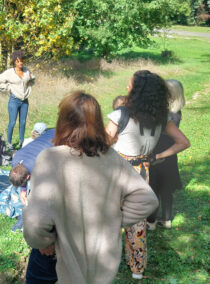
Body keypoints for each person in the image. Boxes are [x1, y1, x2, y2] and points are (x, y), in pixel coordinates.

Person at [23, 91, 159, 284]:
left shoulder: (50, 158)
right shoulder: (112, 158)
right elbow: (147, 199)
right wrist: (112, 220)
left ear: (63, 121)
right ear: (97, 123)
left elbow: (35, 223)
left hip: (56, 256)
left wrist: (42, 242)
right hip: (99, 257)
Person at [105, 71, 190, 279]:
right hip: (142, 173)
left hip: (117, 171)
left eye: (130, 85)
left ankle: (107, 261)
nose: (127, 88)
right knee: (137, 221)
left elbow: (103, 144)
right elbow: (184, 143)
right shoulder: (161, 117)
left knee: (110, 218)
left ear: (138, 91)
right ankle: (137, 269)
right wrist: (159, 154)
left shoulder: (120, 115)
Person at [147, 79, 186, 229]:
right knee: (167, 190)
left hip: (159, 152)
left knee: (154, 188)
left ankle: (151, 221)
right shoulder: (177, 112)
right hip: (170, 154)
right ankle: (167, 219)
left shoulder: (166, 114)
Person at [0, 50, 35, 150]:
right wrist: (8, 88)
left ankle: (21, 142)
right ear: (14, 62)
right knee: (12, 122)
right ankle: (10, 143)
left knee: (23, 122)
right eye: (18, 61)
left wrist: (30, 83)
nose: (20, 63)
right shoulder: (9, 73)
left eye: (21, 61)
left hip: (25, 101)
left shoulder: (26, 70)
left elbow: (33, 78)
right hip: (14, 101)